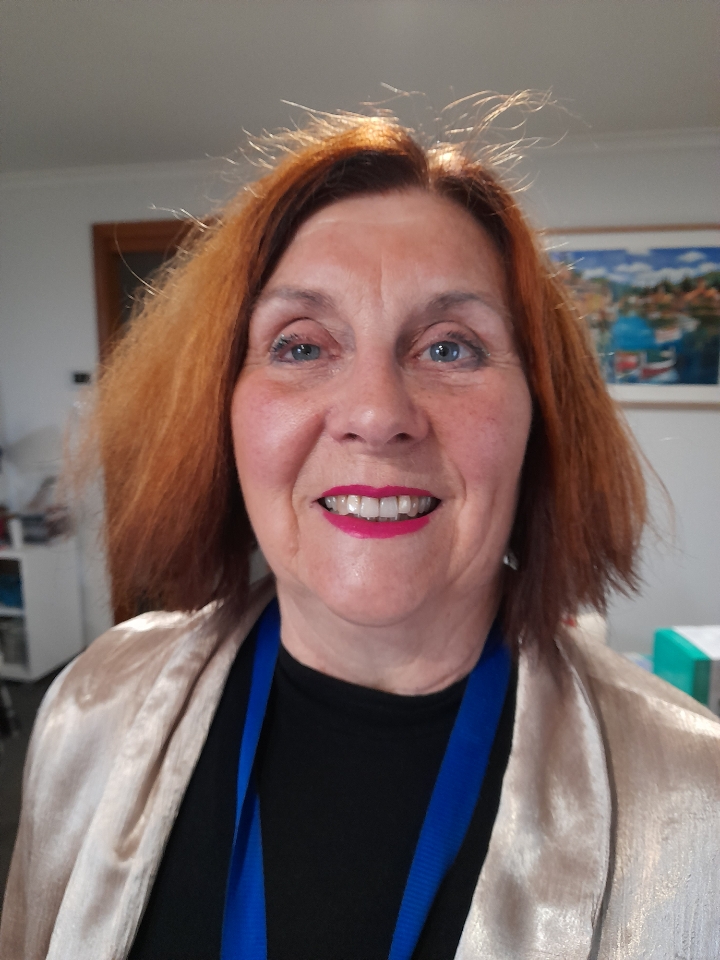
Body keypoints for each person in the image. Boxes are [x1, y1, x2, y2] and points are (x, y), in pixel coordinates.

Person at [1, 113, 719, 960]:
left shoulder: (694, 800)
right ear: (217, 416)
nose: (377, 415)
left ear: (543, 419)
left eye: (451, 346)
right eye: (301, 346)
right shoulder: (91, 707)